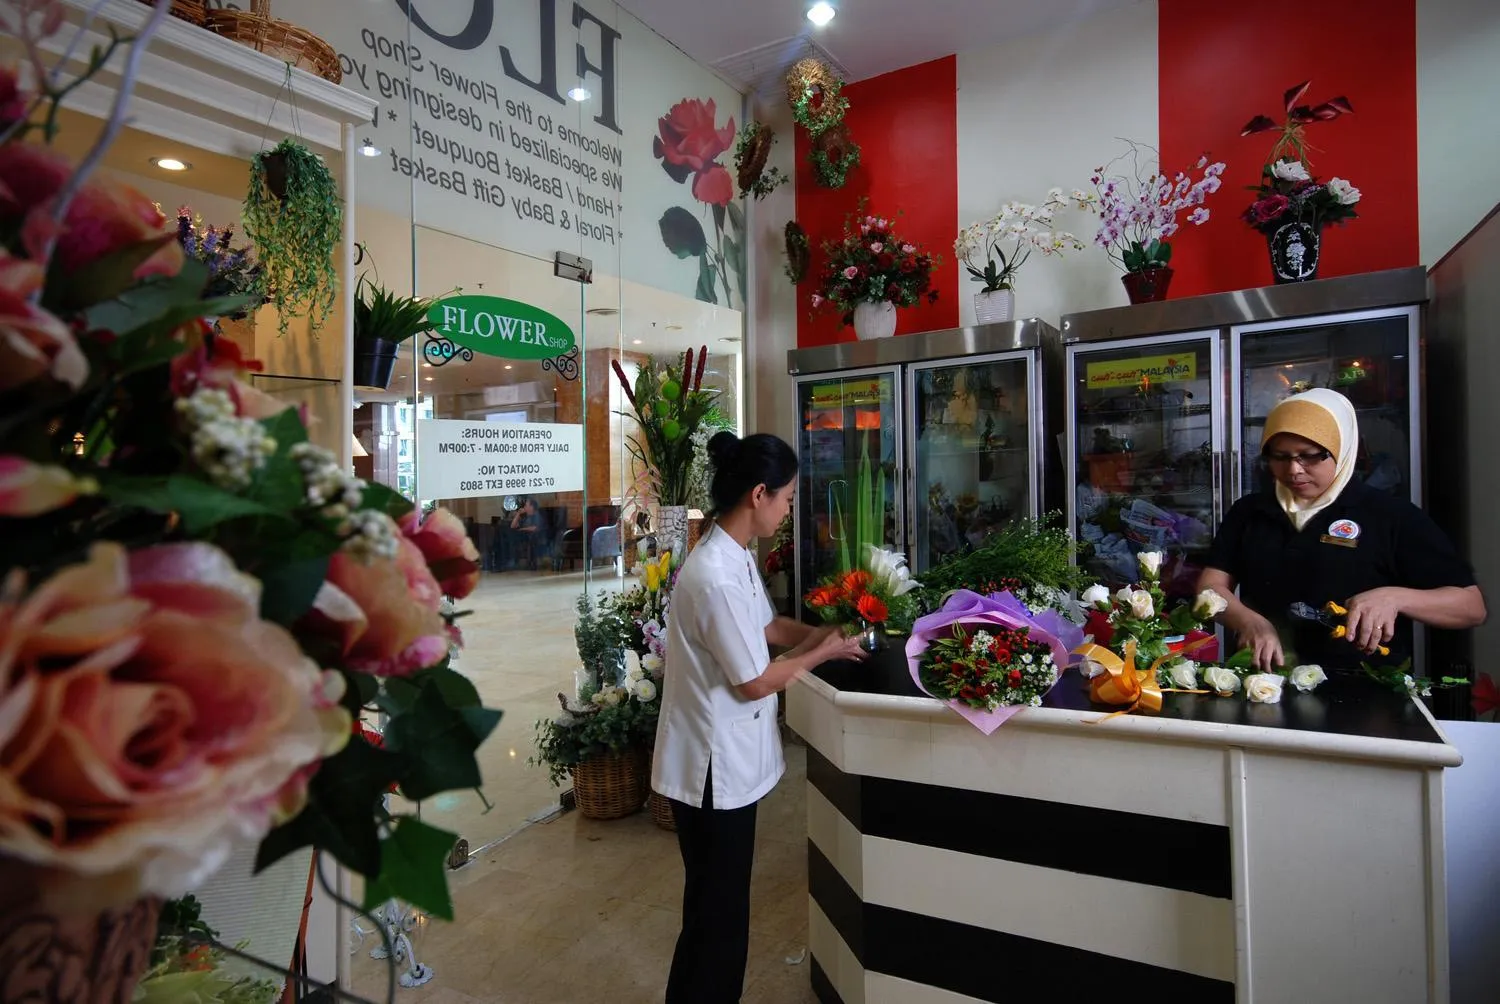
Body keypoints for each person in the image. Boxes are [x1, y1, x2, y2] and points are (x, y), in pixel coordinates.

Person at [652, 431, 867, 1004]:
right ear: (758, 494)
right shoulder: (714, 575)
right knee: (716, 921)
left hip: (724, 765)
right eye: (789, 497)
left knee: (716, 913)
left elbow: (768, 629)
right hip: (709, 773)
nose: (790, 508)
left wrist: (818, 633)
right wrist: (822, 653)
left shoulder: (734, 554)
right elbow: (752, 682)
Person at [1198, 388, 1485, 671]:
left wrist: (1395, 597)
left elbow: (1470, 606)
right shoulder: (1250, 512)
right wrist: (1250, 622)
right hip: (1268, 683)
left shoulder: (1389, 516)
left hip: (1366, 690)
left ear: (1342, 450)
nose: (1294, 470)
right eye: (1280, 457)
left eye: (1310, 456)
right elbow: (1210, 586)